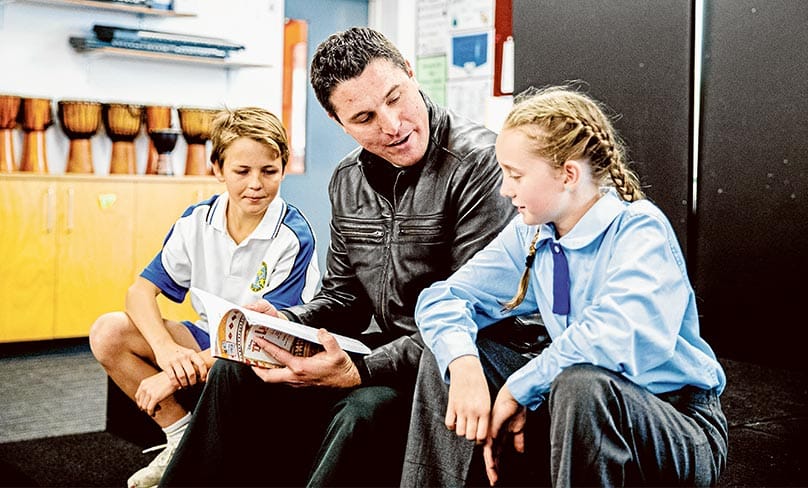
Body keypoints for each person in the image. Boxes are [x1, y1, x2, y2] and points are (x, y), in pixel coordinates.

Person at [160, 26, 518, 487]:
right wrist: (284, 321)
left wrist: (361, 370)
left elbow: (476, 313)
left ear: (410, 74)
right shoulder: (348, 180)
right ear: (340, 123)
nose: (392, 125)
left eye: (396, 97)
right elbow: (343, 298)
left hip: (452, 357)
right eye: (365, 117)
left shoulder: (481, 164)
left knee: (360, 409)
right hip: (385, 347)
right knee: (235, 368)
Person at [404, 85, 728, 487]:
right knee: (454, 358)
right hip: (574, 407)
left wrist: (519, 389)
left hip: (675, 422)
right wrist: (463, 364)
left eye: (516, 175)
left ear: (568, 174)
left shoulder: (640, 228)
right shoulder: (532, 234)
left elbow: (612, 339)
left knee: (582, 383)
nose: (506, 189)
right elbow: (443, 298)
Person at [89, 106, 320, 488]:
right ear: (217, 169)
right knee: (108, 331)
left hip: (266, 352)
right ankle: (179, 437)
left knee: (245, 356)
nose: (256, 184)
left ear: (284, 166)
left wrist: (175, 376)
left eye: (269, 171)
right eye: (241, 171)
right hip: (210, 340)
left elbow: (265, 330)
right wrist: (165, 350)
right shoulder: (196, 220)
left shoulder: (293, 235)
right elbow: (140, 292)